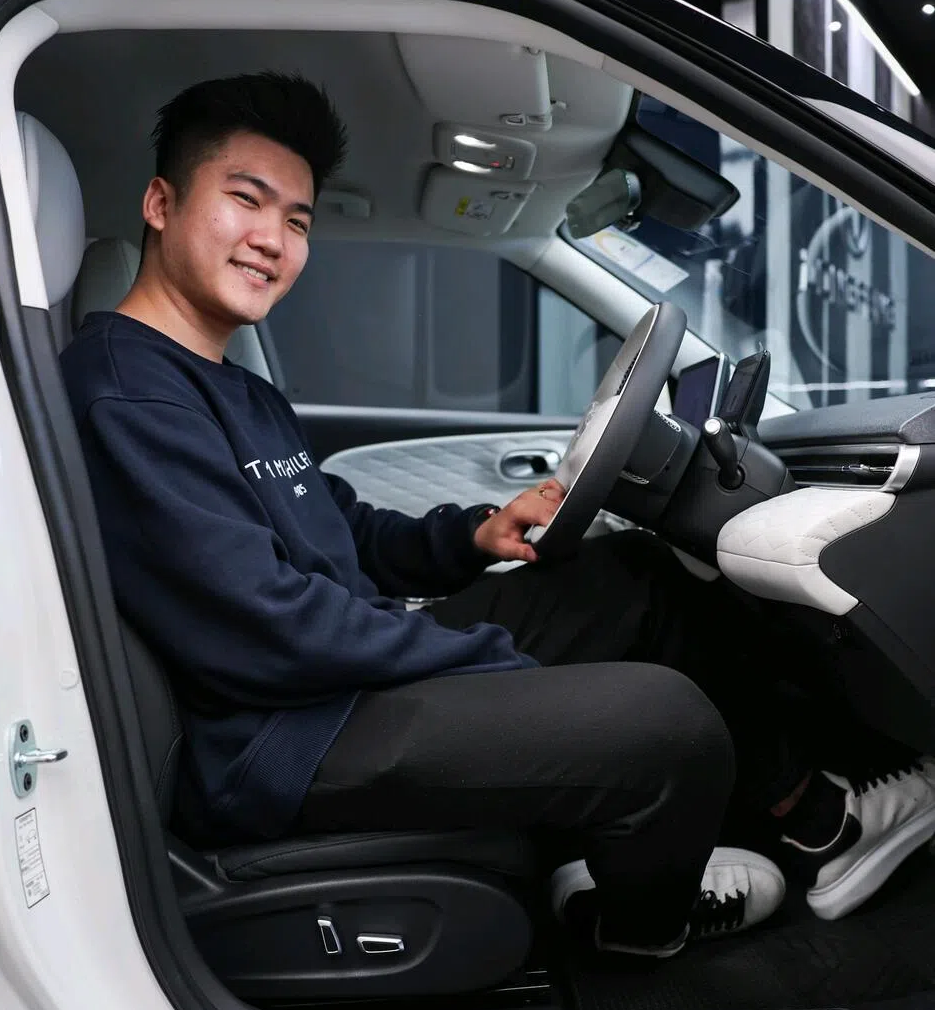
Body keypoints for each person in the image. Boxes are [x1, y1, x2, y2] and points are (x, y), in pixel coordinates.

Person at [60, 72, 935, 959]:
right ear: (162, 203)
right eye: (245, 201)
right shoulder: (128, 395)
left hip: (331, 676)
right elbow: (264, 626)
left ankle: (822, 826)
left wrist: (474, 535)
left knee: (639, 585)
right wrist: (485, 660)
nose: (272, 240)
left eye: (296, 220)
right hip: (280, 741)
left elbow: (344, 530)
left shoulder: (231, 385)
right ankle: (640, 933)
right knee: (669, 723)